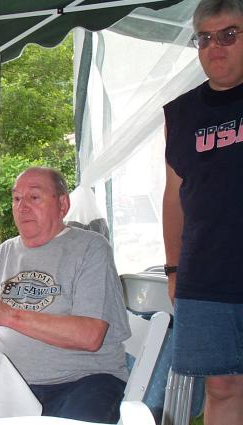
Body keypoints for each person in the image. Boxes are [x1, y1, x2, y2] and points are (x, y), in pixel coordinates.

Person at [0, 167, 130, 423]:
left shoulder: (90, 248)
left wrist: (7, 314)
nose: (22, 207)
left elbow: (90, 336)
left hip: (83, 382)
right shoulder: (4, 253)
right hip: (11, 382)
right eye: (16, 198)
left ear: (63, 204)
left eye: (34, 197)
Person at [162, 1, 243, 423]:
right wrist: (173, 269)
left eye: (229, 34)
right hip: (205, 273)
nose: (215, 46)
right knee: (222, 386)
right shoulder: (180, 113)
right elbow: (173, 197)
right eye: (205, 38)